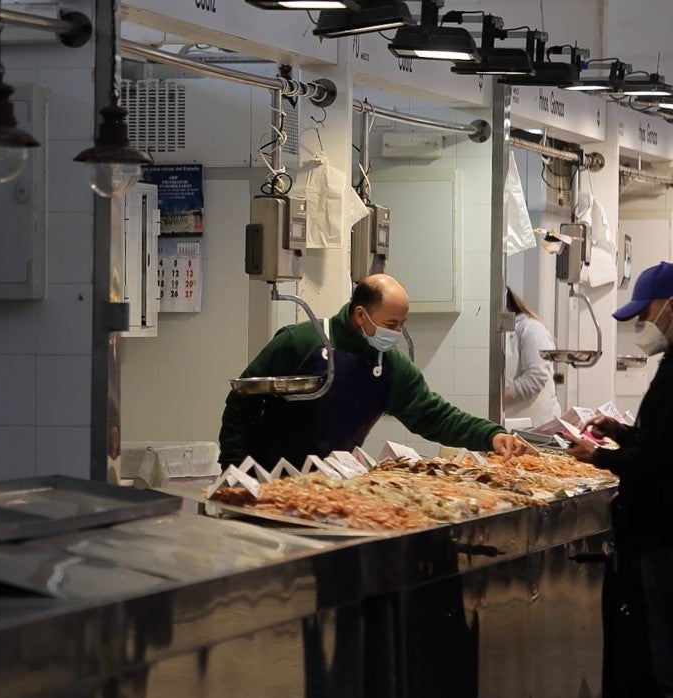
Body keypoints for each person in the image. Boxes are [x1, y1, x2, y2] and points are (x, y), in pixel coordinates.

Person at [218, 273, 529, 468]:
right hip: (265, 477)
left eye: (402, 324)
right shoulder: (299, 341)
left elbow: (436, 416)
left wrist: (491, 436)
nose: (396, 332)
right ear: (360, 315)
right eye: (390, 324)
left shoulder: (392, 366)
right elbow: (242, 401)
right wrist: (234, 467)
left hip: (332, 485)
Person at [564, 261, 673, 696]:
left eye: (645, 316)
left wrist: (602, 457)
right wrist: (621, 432)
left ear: (669, 307)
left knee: (666, 661)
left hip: (665, 539)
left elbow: (660, 458)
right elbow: (660, 437)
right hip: (658, 535)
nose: (642, 327)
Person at [503, 286, 562, 426]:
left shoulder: (531, 329)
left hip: (538, 424)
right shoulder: (499, 334)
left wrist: (497, 398)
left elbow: (536, 376)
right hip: (512, 424)